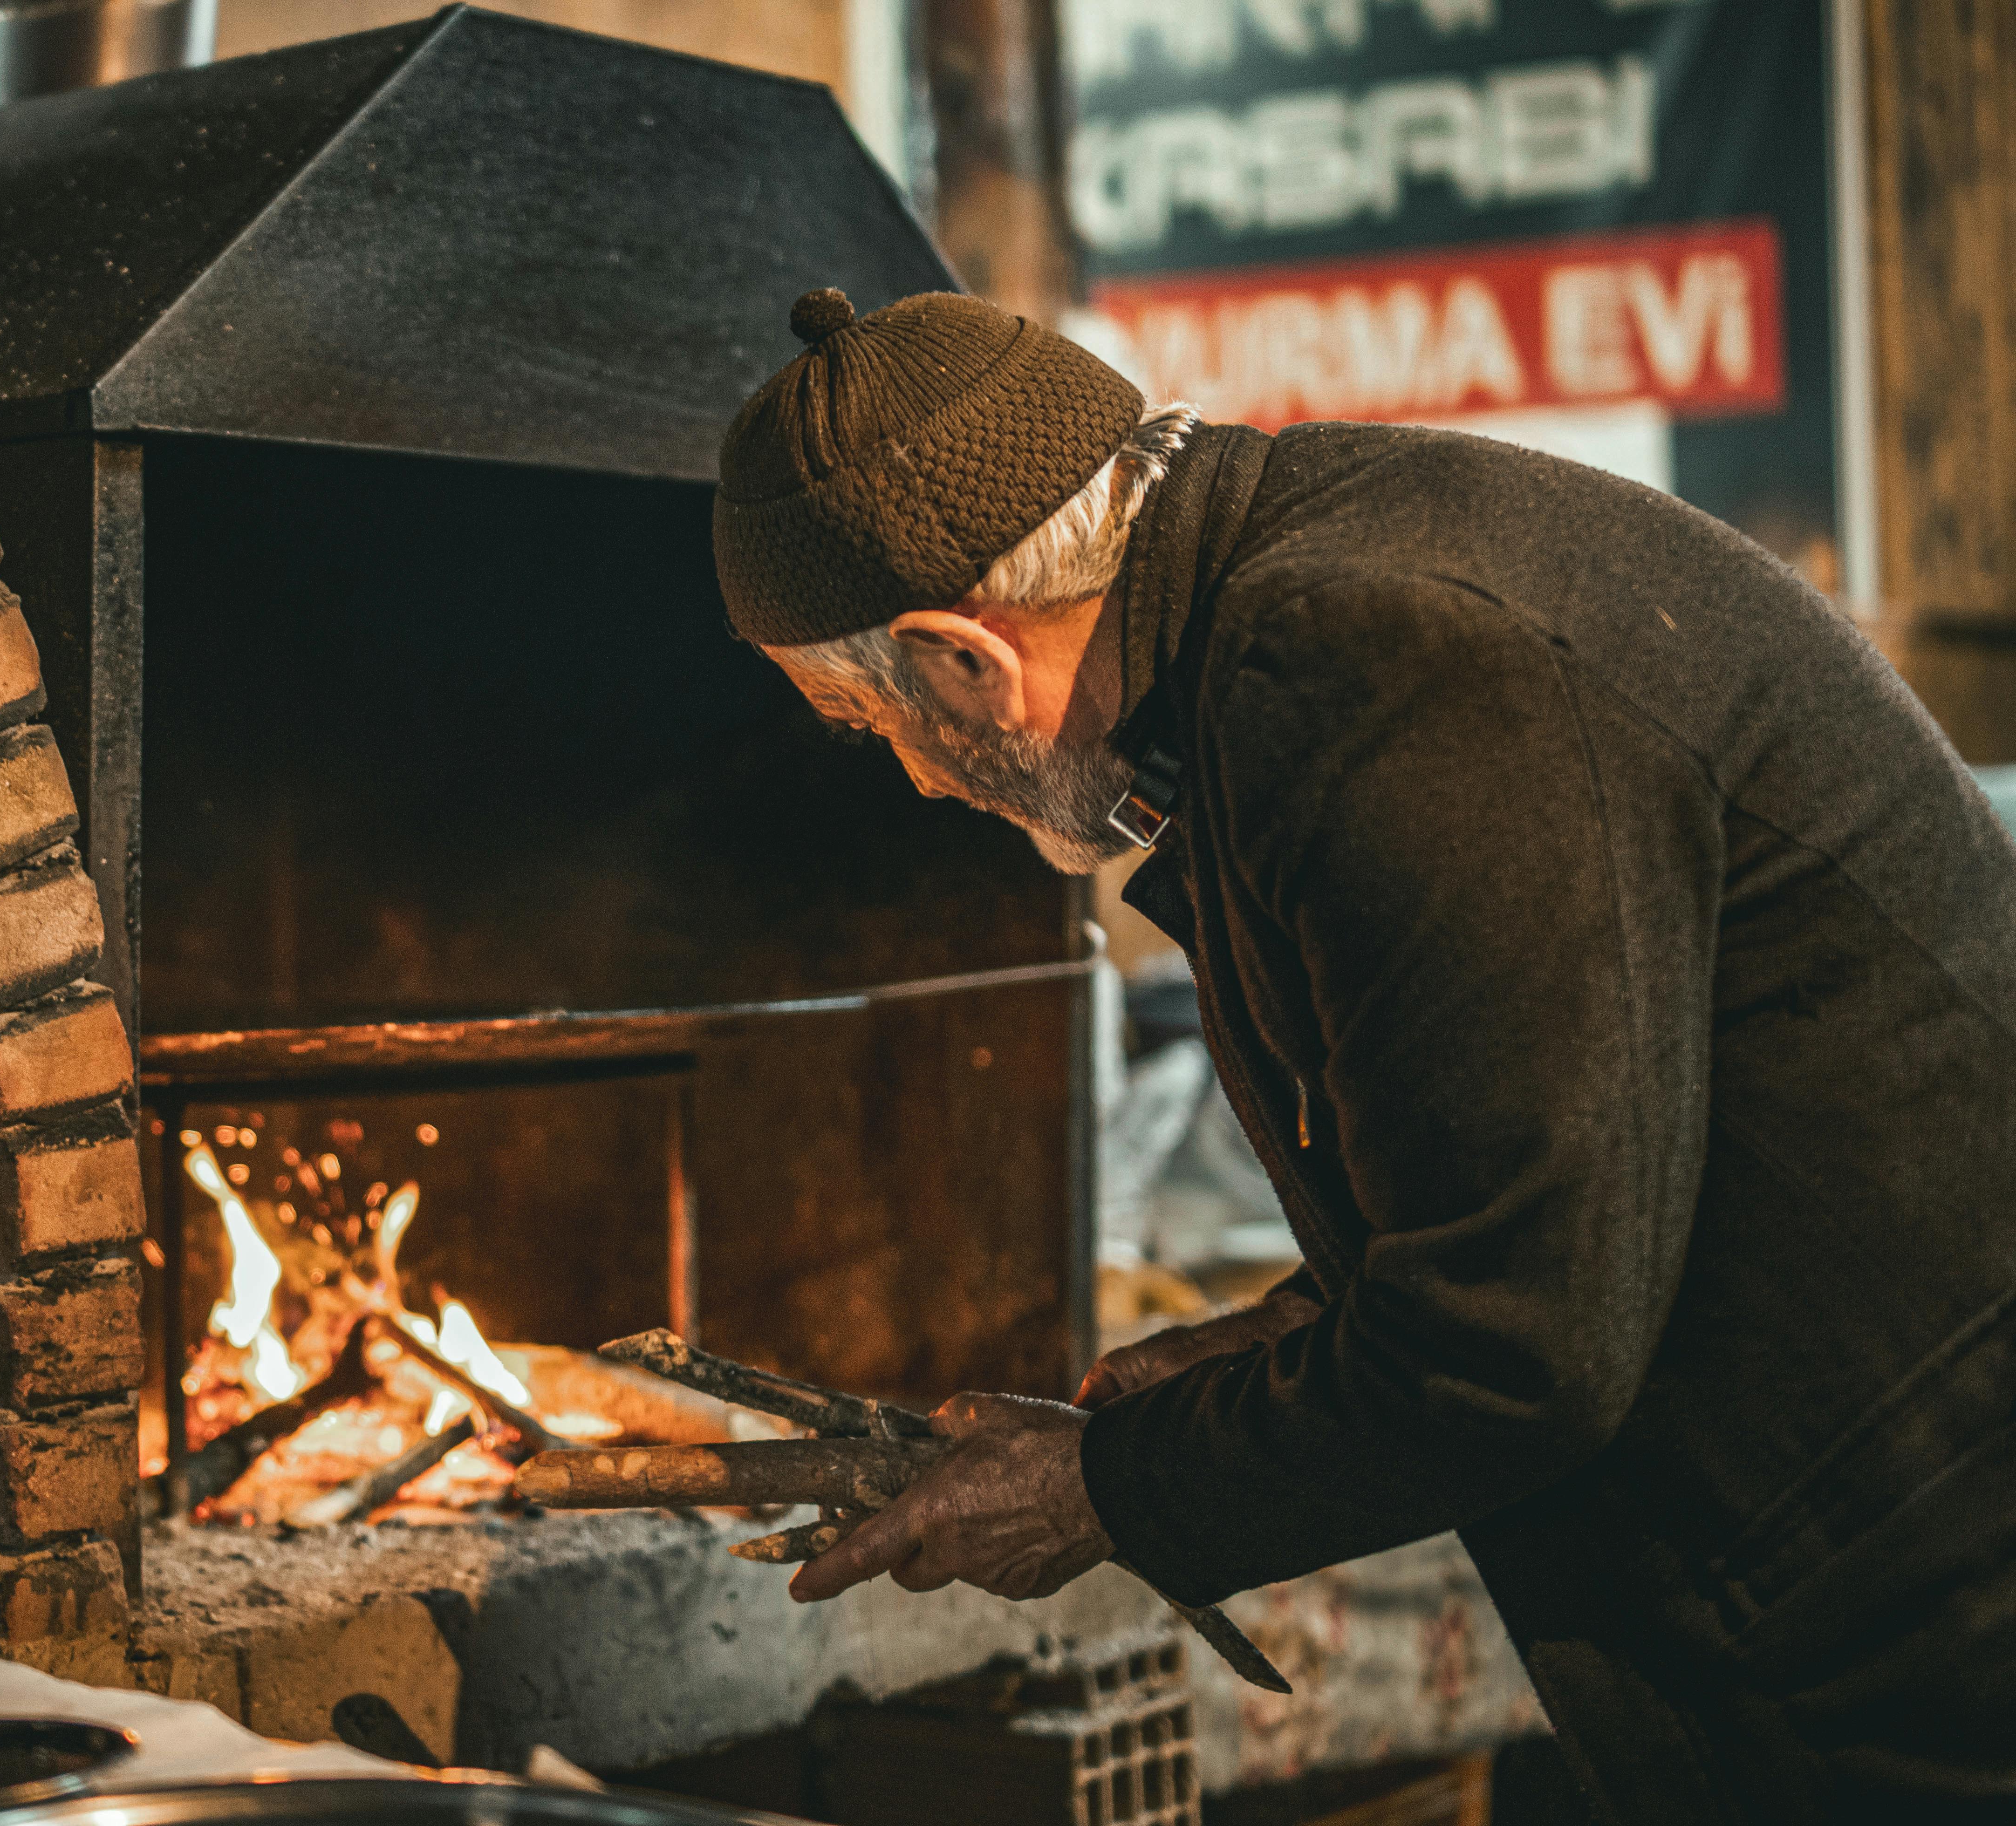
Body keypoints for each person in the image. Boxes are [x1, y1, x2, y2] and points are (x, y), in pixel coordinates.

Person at [718, 287, 2016, 1823]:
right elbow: (1563, 1142)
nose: (924, 787)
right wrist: (1285, 1332)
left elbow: (1515, 1348)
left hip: (1926, 1606)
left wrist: (1100, 1489)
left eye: (872, 725)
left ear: (961, 662)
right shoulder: (1306, 577)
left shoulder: (1367, 660)